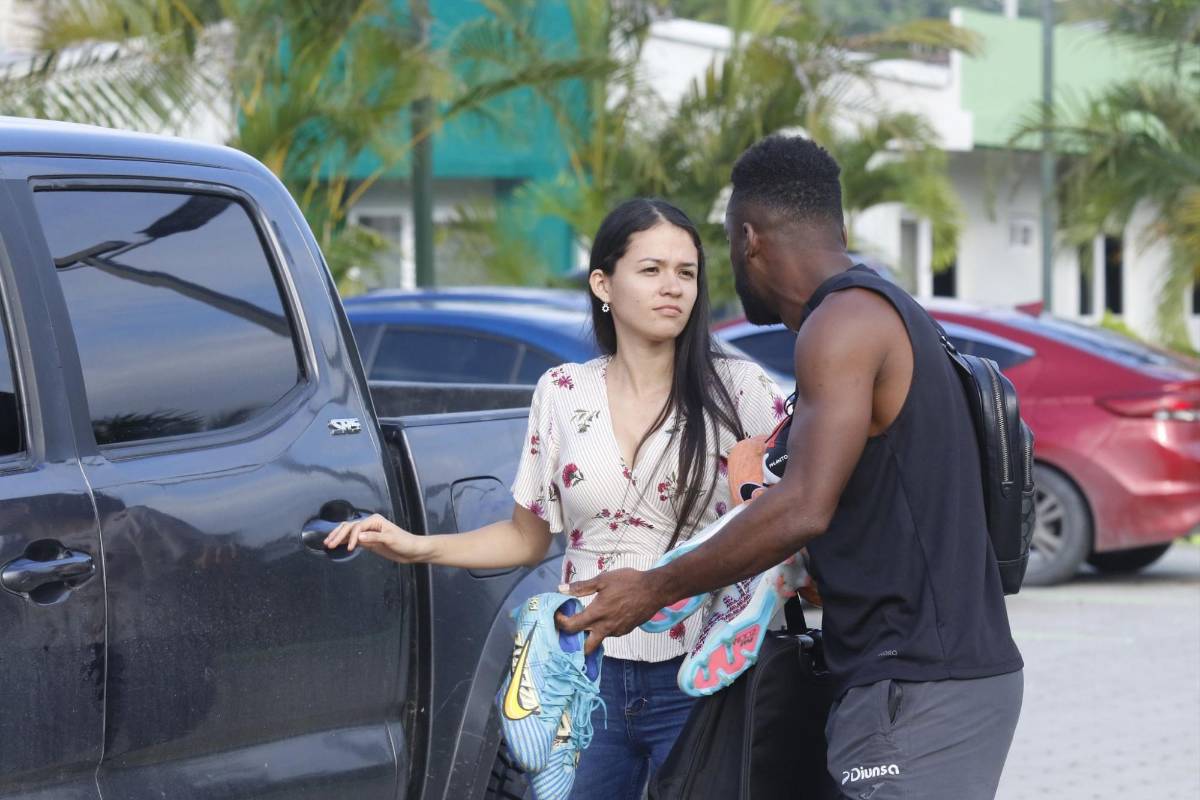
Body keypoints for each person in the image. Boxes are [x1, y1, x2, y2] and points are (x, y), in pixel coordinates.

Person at [556, 136, 1025, 800]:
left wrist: (654, 588)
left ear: (749, 239)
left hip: (919, 686)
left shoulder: (843, 325)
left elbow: (804, 506)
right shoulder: (885, 313)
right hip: (916, 678)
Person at [323, 197, 786, 799]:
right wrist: (416, 546)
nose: (672, 286)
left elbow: (798, 504)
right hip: (580, 674)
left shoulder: (738, 390)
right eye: (651, 269)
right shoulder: (563, 391)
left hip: (703, 674)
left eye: (686, 272)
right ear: (603, 284)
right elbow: (526, 538)